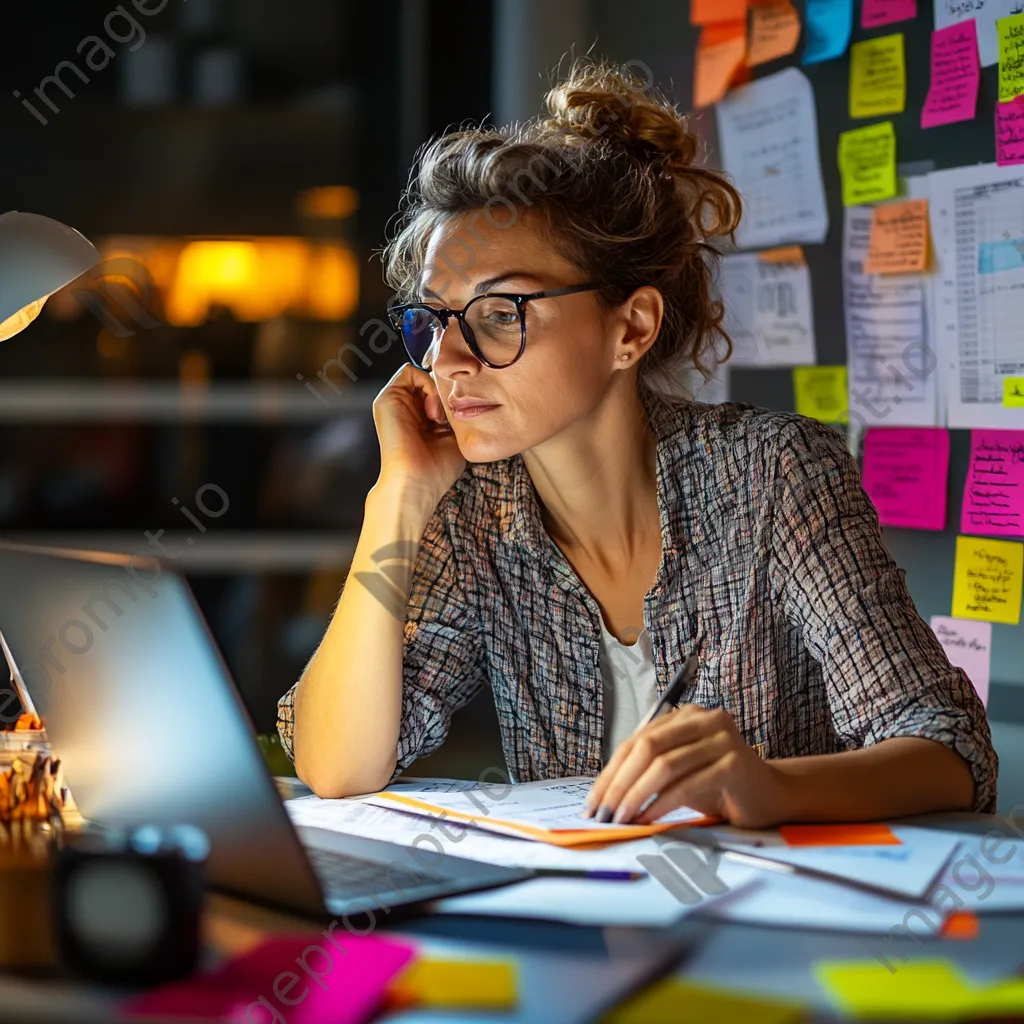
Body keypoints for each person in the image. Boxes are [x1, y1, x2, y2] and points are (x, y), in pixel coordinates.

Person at [277, 58, 997, 827]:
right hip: (584, 932)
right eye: (436, 320)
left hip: (771, 931)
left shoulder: (773, 475)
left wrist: (769, 790)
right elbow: (336, 764)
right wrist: (396, 498)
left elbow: (949, 750)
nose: (450, 362)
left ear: (631, 328)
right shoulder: (473, 511)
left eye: (499, 313)